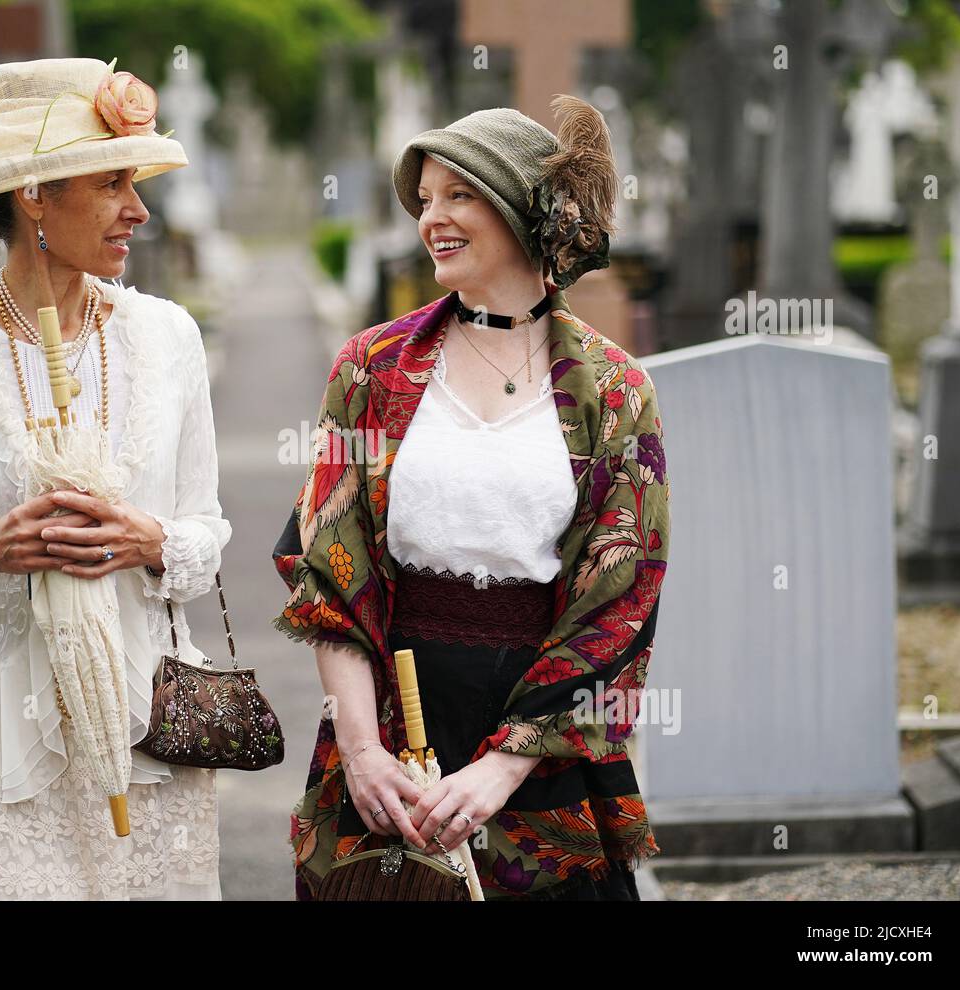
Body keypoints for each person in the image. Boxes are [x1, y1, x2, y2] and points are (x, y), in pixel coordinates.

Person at [272, 101, 670, 900]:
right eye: (424, 200)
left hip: (545, 735)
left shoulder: (617, 390)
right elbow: (329, 569)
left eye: (459, 195)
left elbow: (620, 602)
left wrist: (504, 764)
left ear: (523, 208)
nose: (433, 218)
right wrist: (360, 751)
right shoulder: (372, 369)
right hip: (390, 721)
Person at [0, 57, 231, 899]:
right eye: (111, 183)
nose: (138, 209)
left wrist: (151, 540)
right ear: (35, 193)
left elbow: (207, 535)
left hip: (150, 749)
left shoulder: (170, 338)